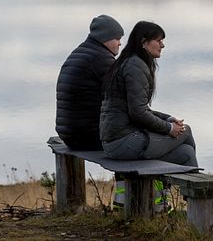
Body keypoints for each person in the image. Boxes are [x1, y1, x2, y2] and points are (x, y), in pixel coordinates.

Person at [100, 20, 197, 167]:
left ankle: (163, 190)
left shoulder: (128, 62)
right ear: (144, 42)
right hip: (123, 142)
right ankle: (204, 189)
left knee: (186, 153)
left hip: (116, 141)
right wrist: (169, 128)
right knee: (186, 131)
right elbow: (138, 113)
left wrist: (168, 119)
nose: (162, 45)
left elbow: (139, 107)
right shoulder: (135, 65)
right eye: (158, 41)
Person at [56, 14, 124, 150]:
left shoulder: (80, 52)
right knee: (150, 139)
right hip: (90, 137)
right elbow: (126, 99)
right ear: (105, 37)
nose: (120, 43)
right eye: (117, 38)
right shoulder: (101, 59)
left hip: (70, 135)